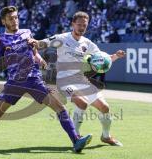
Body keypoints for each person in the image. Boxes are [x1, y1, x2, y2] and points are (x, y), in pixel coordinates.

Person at [0, 6, 91, 153]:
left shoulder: (27, 32)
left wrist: (40, 59)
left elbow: (34, 52)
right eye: (10, 18)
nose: (14, 21)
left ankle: (76, 141)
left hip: (34, 80)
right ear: (4, 21)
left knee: (60, 108)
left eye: (16, 17)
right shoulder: (2, 39)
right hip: (14, 83)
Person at [28, 11, 125, 146]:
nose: (81, 27)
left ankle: (106, 136)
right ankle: (77, 137)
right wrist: (34, 42)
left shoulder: (88, 43)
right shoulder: (62, 38)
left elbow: (102, 60)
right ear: (73, 24)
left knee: (105, 107)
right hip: (63, 80)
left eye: (84, 25)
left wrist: (115, 56)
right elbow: (42, 44)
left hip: (81, 80)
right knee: (82, 102)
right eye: (79, 24)